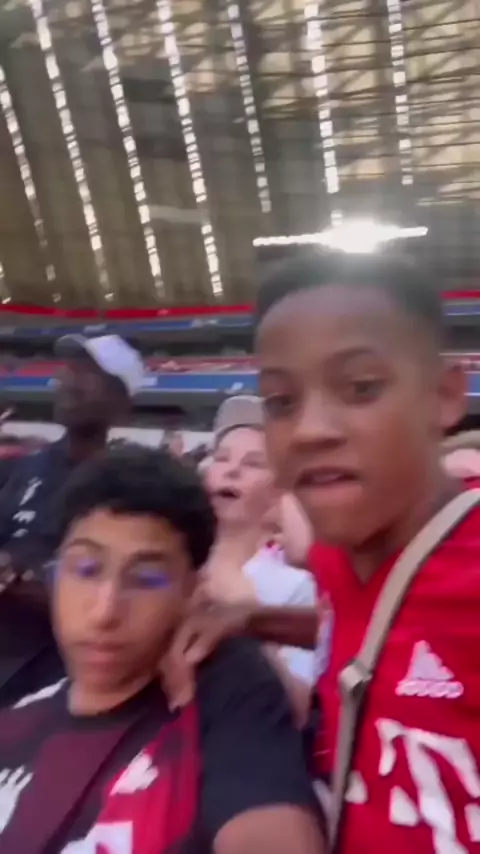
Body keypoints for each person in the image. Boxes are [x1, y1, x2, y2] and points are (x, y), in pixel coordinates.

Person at [164, 249, 480, 854]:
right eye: (281, 402)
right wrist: (253, 620)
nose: (310, 429)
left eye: (361, 388)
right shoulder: (339, 553)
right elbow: (377, 629)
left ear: (444, 395)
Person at [0, 446, 324, 854]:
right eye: (86, 569)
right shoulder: (22, 700)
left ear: (194, 593)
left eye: (146, 579)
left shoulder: (224, 692)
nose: (104, 611)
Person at [0, 333, 144, 706]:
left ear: (121, 405)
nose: (69, 381)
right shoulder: (26, 467)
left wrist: (18, 579)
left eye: (89, 374)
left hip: (50, 681)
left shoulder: (126, 487)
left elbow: (105, 596)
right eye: (69, 369)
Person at [205, 395, 316, 724]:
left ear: (278, 491)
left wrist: (250, 621)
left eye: (254, 463)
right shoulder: (175, 562)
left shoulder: (295, 585)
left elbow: (298, 710)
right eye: (221, 458)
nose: (232, 469)